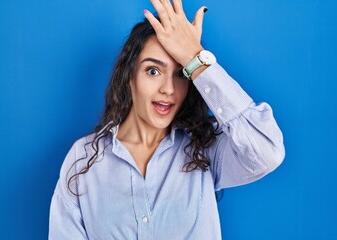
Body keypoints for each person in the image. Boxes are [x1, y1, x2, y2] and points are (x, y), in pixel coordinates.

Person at [49, 0, 285, 239]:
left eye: (181, 73)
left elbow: (267, 153)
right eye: (153, 71)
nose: (169, 89)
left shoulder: (206, 148)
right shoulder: (83, 159)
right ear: (130, 77)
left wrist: (195, 58)